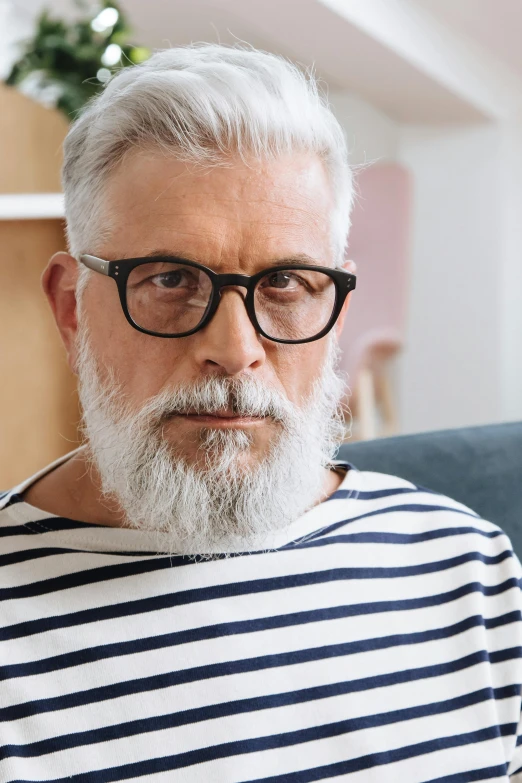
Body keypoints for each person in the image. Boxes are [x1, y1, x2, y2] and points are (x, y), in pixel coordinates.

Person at [0, 44, 521, 783]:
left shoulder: (469, 570)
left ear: (337, 313)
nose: (234, 349)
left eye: (285, 282)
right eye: (170, 278)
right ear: (70, 307)